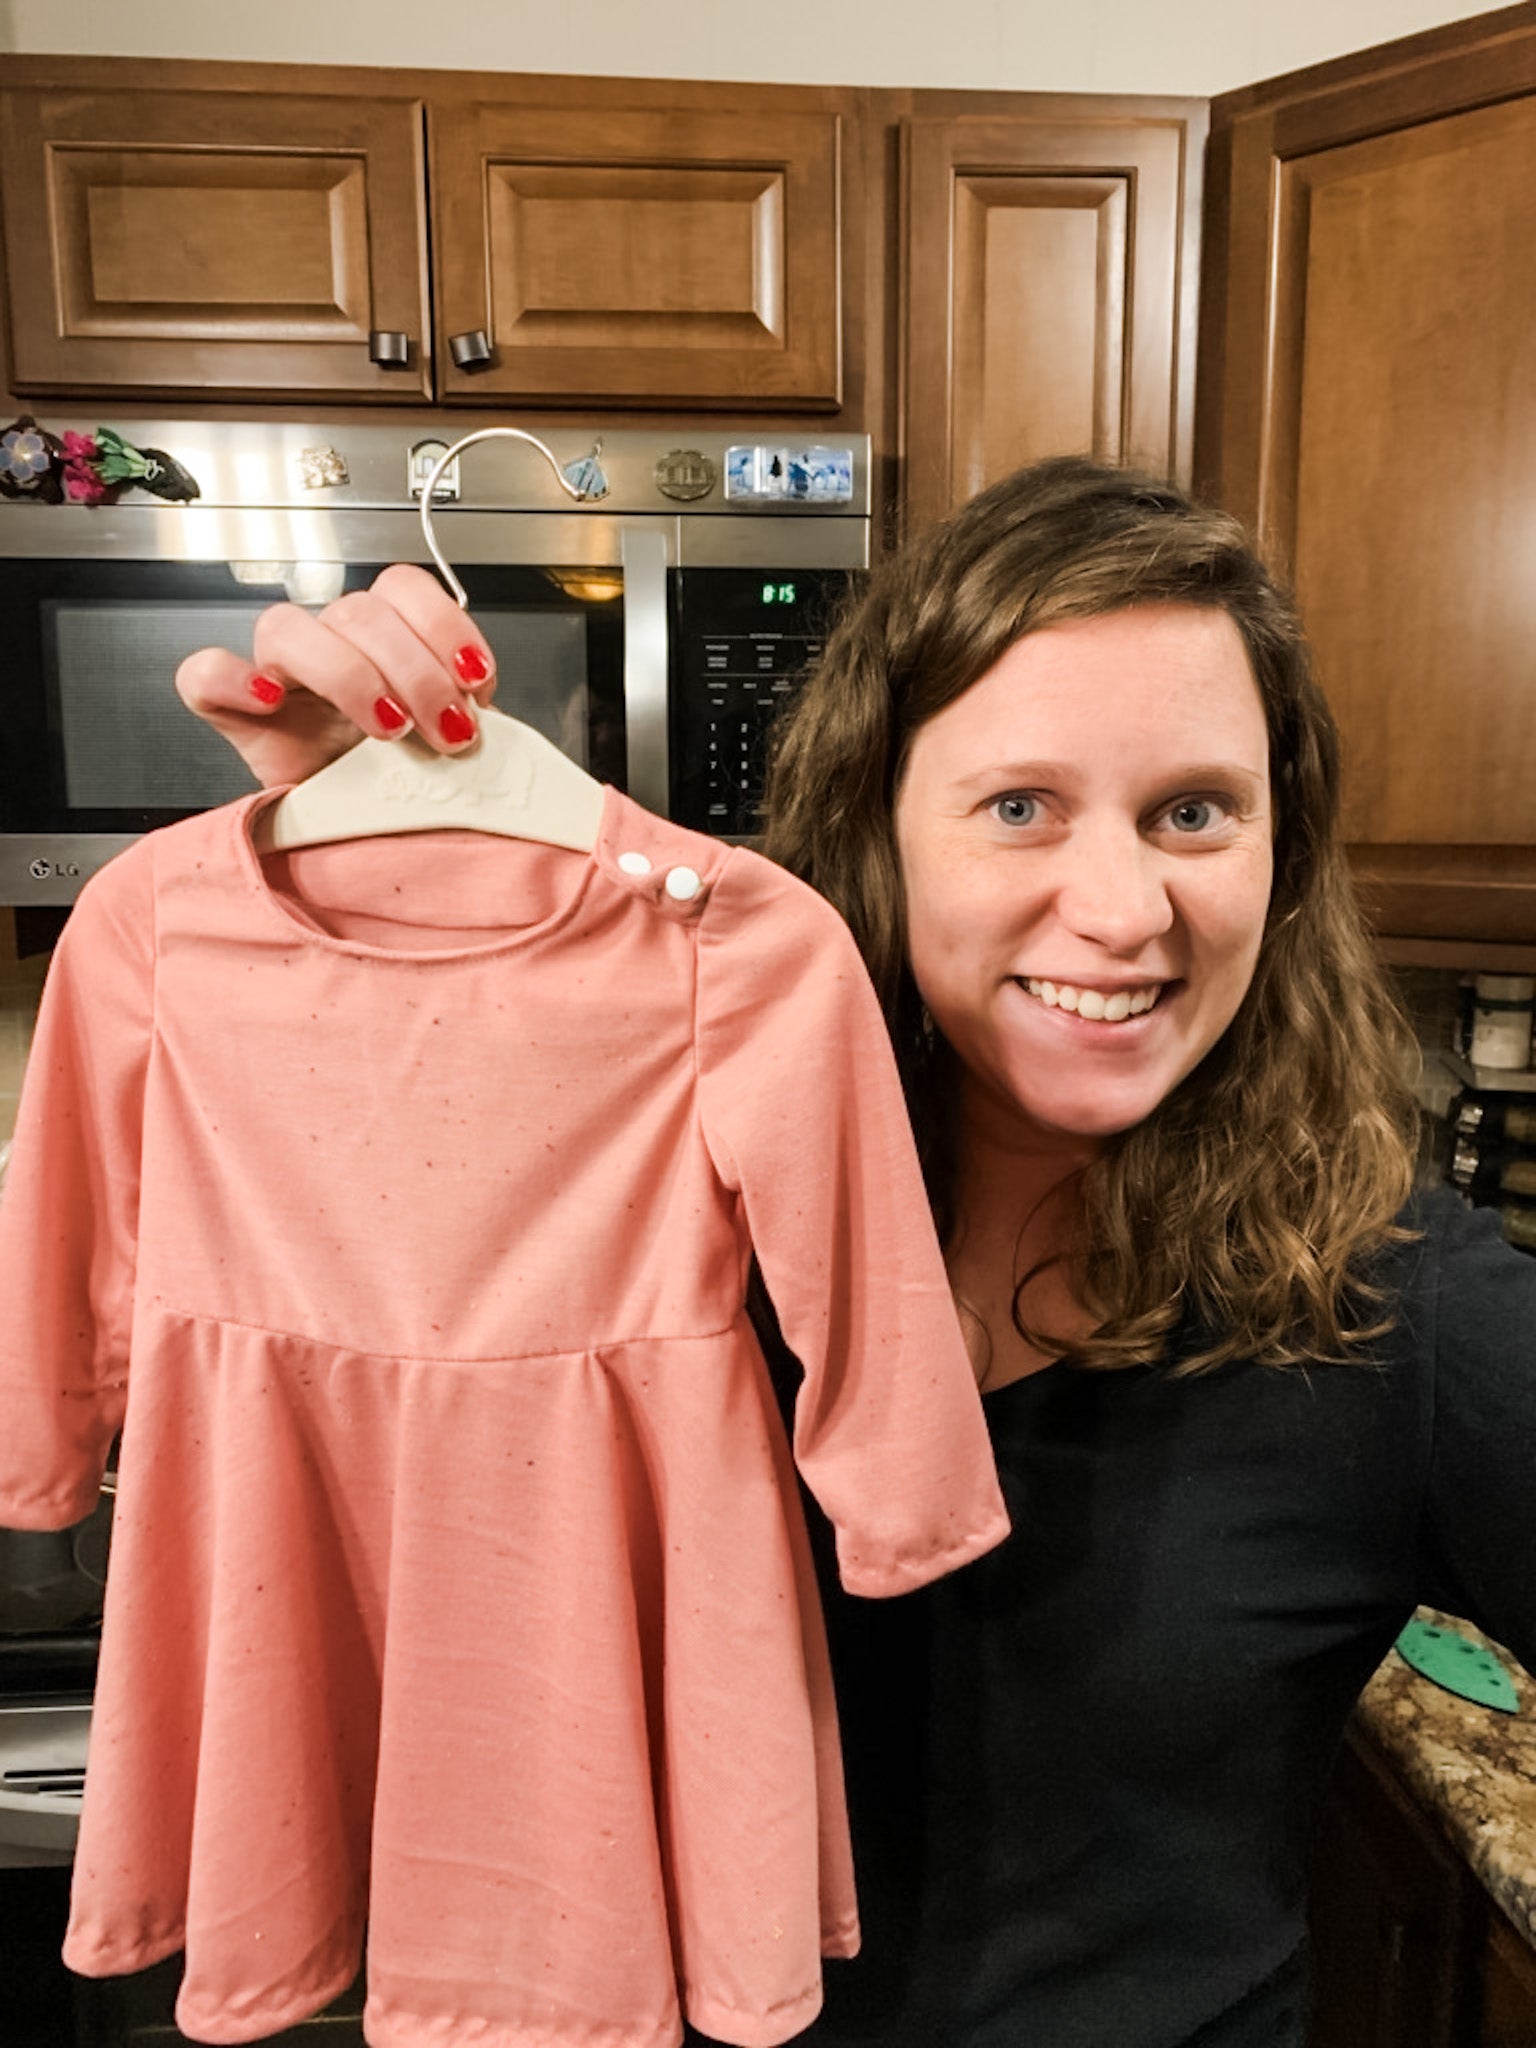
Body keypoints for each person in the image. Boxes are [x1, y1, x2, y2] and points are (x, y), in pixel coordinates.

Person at [177, 458, 1536, 2048]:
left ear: (1280, 855)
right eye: (1020, 807)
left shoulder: (1395, 1309)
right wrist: (390, 924)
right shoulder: (626, 1229)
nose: (1121, 908)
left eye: (1195, 812)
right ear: (875, 840)